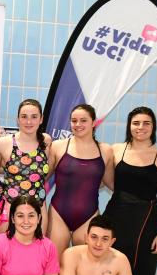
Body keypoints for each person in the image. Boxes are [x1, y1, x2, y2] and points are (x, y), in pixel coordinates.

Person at [104, 107, 157, 275]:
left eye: (146, 123)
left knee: (141, 271)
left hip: (146, 220)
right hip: (116, 215)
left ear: (153, 127)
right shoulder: (116, 150)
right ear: (129, 126)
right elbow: (108, 181)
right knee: (110, 269)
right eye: (136, 123)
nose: (140, 127)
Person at [47, 104, 113, 257]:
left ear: (93, 122)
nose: (78, 124)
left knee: (85, 267)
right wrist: (11, 182)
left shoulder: (105, 151)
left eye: (83, 120)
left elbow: (111, 183)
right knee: (54, 264)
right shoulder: (58, 146)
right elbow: (41, 178)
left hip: (89, 216)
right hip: (58, 215)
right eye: (74, 120)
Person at [0, 99, 51, 234]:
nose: (29, 121)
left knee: (37, 248)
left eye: (34, 117)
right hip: (10, 209)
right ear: (17, 119)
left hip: (38, 210)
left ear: (41, 119)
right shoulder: (4, 143)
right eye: (24, 117)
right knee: (5, 247)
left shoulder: (46, 141)